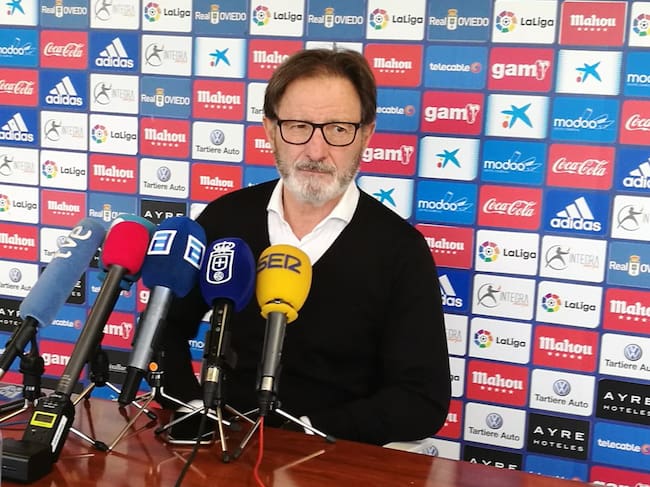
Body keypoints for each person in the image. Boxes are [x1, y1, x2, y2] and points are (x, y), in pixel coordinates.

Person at [158, 48, 451, 446]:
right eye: (298, 127)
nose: (315, 151)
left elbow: (421, 401)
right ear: (269, 129)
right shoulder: (225, 219)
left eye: (338, 129)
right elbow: (163, 328)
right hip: (224, 446)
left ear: (366, 134)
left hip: (333, 454)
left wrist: (305, 433)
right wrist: (194, 407)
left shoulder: (400, 249)